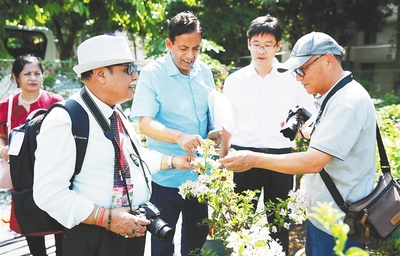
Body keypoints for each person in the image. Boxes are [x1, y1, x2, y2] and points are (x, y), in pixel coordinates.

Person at [32, 35, 196, 256]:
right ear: (100, 73)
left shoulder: (115, 111)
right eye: (128, 69)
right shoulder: (66, 119)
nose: (135, 76)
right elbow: (48, 194)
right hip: (93, 238)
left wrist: (174, 161)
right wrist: (106, 219)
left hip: (127, 232)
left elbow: (130, 160)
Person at [219, 31, 376, 255]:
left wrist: (252, 159)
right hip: (325, 218)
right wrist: (307, 133)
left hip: (339, 224)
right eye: (295, 72)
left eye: (302, 69)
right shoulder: (334, 96)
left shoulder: (346, 103)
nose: (298, 77)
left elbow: (313, 162)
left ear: (328, 60)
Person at [218, 14, 315, 254]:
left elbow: (308, 115)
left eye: (268, 45)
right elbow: (227, 126)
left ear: (278, 46)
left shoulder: (292, 78)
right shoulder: (234, 81)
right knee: (240, 222)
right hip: (243, 157)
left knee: (279, 223)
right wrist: (221, 163)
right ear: (248, 43)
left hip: (281, 158)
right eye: (257, 44)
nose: (262, 50)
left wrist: (303, 131)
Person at [130, 11, 215, 256]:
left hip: (200, 175)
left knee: (196, 242)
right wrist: (179, 137)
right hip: (165, 178)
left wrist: (215, 133)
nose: (190, 55)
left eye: (196, 48)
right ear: (169, 44)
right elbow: (145, 124)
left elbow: (210, 117)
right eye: (183, 48)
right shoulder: (152, 74)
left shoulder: (205, 72)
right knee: (163, 241)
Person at [0, 54, 64, 255]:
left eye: (37, 73)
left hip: (54, 174)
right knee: (30, 225)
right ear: (15, 78)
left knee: (60, 224)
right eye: (27, 74)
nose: (33, 78)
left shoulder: (56, 102)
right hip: (23, 178)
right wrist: (3, 148)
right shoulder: (6, 107)